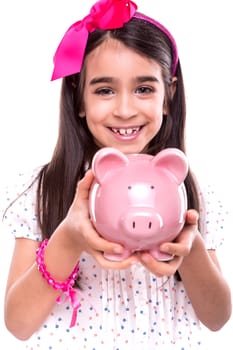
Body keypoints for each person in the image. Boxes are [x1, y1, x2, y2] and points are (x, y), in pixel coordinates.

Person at [2, 0, 232, 349]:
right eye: (105, 90)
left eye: (144, 89)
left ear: (168, 95)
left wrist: (191, 247)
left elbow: (217, 318)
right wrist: (69, 239)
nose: (125, 110)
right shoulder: (44, 190)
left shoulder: (188, 191)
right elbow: (18, 324)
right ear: (79, 98)